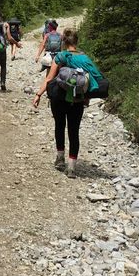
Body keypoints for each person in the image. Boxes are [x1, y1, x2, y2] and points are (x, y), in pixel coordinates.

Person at [31, 28, 105, 178]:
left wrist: (38, 94)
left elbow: (49, 79)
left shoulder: (60, 56)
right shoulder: (85, 59)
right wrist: (87, 97)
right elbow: (93, 79)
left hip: (59, 99)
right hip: (77, 101)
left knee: (59, 126)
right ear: (76, 42)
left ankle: (60, 158)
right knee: (74, 131)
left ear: (63, 41)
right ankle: (71, 167)